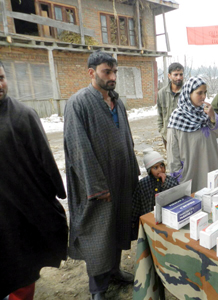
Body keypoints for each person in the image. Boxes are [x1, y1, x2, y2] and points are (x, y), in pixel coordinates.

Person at [64, 50, 140, 300]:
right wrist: (96, 186)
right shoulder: (79, 103)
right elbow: (79, 148)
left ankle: (115, 270)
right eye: (107, 71)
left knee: (119, 225)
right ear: (91, 72)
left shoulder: (117, 102)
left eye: (114, 71)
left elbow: (127, 139)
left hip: (120, 177)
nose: (112, 76)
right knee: (99, 233)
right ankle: (98, 287)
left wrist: (133, 171)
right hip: (96, 184)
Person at [0, 61, 68, 299]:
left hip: (20, 213)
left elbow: (45, 160)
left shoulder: (23, 116)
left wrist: (56, 194)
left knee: (22, 268)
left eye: (1, 78)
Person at [167, 76, 218, 193]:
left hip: (211, 169)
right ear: (189, 94)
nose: (204, 96)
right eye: (199, 93)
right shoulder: (178, 117)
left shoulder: (206, 113)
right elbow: (172, 153)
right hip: (191, 174)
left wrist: (212, 116)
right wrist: (178, 175)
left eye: (205, 92)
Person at [131, 148, 179, 239]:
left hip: (166, 221)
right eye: (155, 167)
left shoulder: (170, 181)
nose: (160, 170)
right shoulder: (143, 184)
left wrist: (165, 183)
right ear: (149, 170)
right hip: (149, 220)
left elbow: (176, 195)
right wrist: (133, 221)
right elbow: (136, 204)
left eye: (162, 166)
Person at [157, 62, 184, 148]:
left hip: (184, 136)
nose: (179, 77)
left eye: (181, 74)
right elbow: (160, 114)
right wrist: (162, 130)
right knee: (171, 160)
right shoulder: (162, 93)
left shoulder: (188, 92)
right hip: (167, 136)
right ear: (169, 76)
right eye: (175, 75)